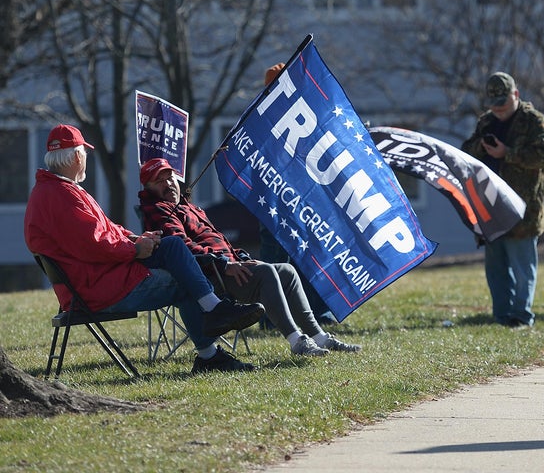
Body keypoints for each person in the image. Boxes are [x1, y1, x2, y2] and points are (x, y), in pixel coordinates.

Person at [24, 124, 265, 374]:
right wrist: (135, 250)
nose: (85, 159)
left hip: (97, 278)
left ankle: (214, 316)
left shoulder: (53, 191)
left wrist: (138, 239)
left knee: (171, 246)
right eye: (84, 153)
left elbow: (104, 231)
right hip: (98, 288)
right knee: (187, 280)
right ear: (76, 156)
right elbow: (94, 243)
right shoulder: (62, 195)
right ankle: (210, 344)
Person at [137, 158, 361, 357]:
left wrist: (240, 258)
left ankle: (319, 336)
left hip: (228, 267)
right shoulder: (158, 209)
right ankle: (297, 341)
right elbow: (184, 248)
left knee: (286, 270)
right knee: (266, 272)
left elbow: (221, 243)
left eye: (170, 177)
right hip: (208, 277)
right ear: (148, 188)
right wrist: (224, 264)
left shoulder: (191, 207)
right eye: (160, 181)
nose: (168, 184)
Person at [461, 71, 544, 328]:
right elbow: (465, 152)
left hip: (523, 210)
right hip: (491, 208)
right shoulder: (486, 122)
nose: (499, 110)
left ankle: (521, 316)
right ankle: (502, 316)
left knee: (523, 267)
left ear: (516, 95)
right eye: (494, 105)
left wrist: (508, 153)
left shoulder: (534, 122)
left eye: (503, 104)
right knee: (497, 269)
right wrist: (482, 146)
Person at [259, 62, 337, 326]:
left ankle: (318, 312)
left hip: (307, 199)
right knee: (276, 258)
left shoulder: (310, 116)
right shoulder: (259, 121)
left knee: (314, 253)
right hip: (273, 202)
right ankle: (273, 318)